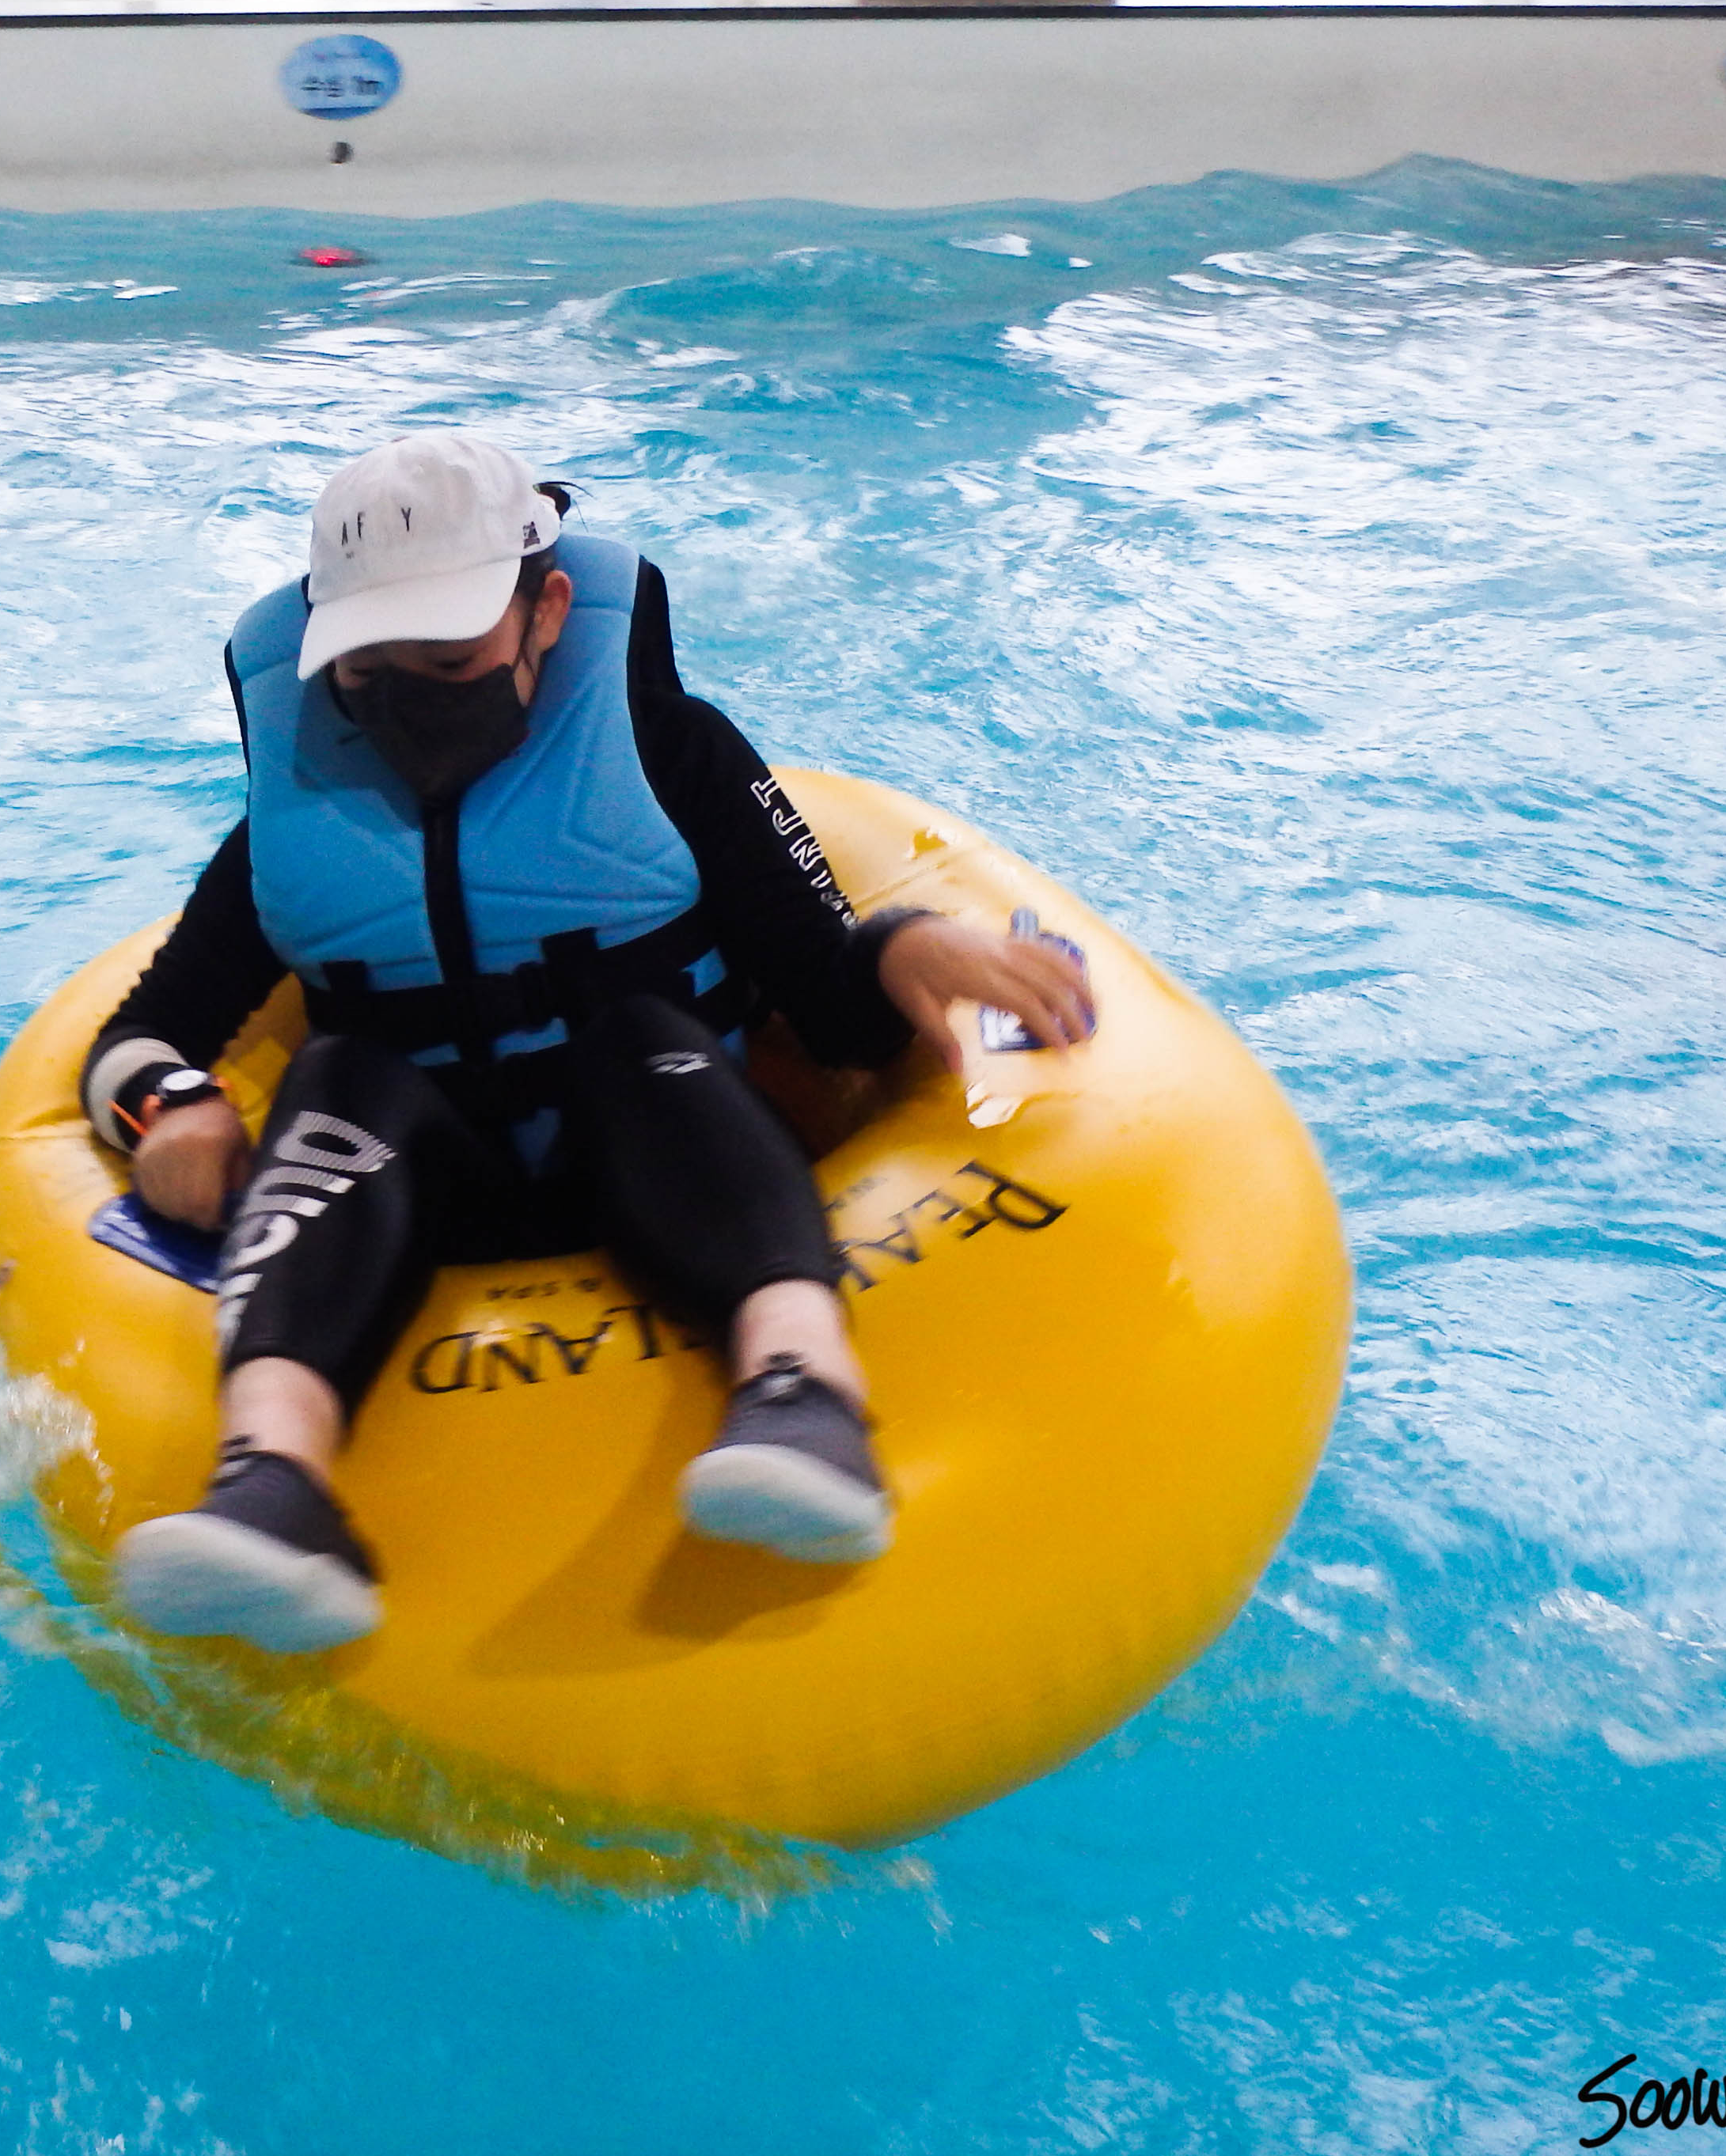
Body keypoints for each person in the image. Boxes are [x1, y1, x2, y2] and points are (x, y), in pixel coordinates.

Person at [84, 431, 1095, 1654]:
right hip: (415, 1201)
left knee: (637, 1039)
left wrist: (898, 949)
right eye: (366, 671)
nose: (407, 701)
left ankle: (803, 1391)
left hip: (666, 1153)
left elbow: (831, 1012)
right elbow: (139, 1038)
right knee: (340, 1070)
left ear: (548, 612)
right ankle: (273, 1479)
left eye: (448, 660)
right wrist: (173, 1104)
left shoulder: (669, 757)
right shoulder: (293, 833)